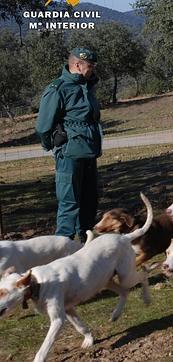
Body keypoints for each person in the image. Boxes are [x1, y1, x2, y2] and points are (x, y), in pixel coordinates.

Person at [35, 47, 102, 243]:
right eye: (90, 65)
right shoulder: (58, 88)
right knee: (69, 203)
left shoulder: (87, 86)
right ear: (77, 65)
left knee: (90, 201)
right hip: (69, 155)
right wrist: (53, 146)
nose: (93, 69)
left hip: (89, 153)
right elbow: (43, 125)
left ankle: (85, 245)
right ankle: (61, 250)